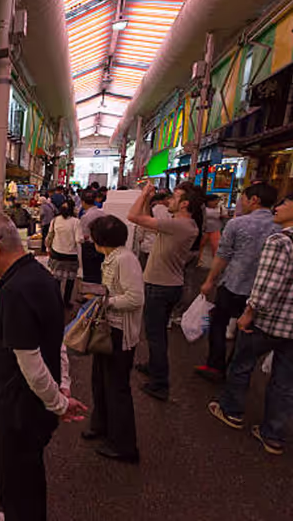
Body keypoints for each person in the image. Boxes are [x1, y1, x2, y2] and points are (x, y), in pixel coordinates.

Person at [0, 211, 86, 521]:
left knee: (18, 481)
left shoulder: (16, 291)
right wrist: (63, 387)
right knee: (27, 475)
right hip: (33, 407)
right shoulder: (40, 275)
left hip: (21, 409)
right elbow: (56, 339)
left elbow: (31, 363)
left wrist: (59, 403)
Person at [208, 193, 293, 456]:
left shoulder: (280, 241)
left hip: (268, 321)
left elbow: (267, 285)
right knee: (284, 381)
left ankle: (231, 411)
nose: (277, 207)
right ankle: (273, 435)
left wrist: (249, 312)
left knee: (242, 364)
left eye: (285, 203)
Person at [196, 183, 280, 381]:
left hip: (233, 284)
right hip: (260, 290)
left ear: (254, 200)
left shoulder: (237, 224)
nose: (242, 202)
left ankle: (215, 366)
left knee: (218, 324)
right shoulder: (280, 228)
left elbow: (223, 256)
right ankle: (235, 370)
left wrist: (210, 280)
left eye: (244, 199)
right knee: (247, 331)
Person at [128, 182, 204, 401]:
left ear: (185, 204)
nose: (170, 199)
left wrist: (144, 194)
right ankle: (154, 367)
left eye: (175, 197)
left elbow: (133, 217)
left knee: (156, 336)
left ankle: (160, 384)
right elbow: (146, 220)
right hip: (168, 285)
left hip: (160, 287)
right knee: (157, 333)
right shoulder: (182, 224)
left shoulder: (179, 225)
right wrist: (148, 199)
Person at [84, 216, 144, 463]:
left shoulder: (124, 260)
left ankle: (124, 446)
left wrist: (105, 302)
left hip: (119, 332)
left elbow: (135, 298)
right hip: (107, 329)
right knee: (100, 381)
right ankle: (102, 426)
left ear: (101, 239)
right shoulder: (113, 257)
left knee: (117, 386)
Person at [47, 200, 83, 308]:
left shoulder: (55, 220)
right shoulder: (76, 222)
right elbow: (79, 240)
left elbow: (49, 236)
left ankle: (56, 301)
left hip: (56, 253)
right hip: (71, 255)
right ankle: (66, 302)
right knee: (70, 281)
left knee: (56, 280)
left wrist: (48, 247)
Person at [135, 193, 171, 269]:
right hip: (161, 247)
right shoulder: (167, 211)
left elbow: (140, 233)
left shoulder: (149, 211)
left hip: (147, 246)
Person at [79, 190, 106, 284]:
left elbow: (83, 235)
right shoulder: (103, 213)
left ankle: (89, 290)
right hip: (102, 246)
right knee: (99, 271)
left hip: (89, 247)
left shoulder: (85, 217)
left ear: (83, 202)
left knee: (89, 272)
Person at [198, 194, 225, 265]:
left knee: (216, 246)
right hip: (205, 229)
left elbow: (225, 216)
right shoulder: (203, 208)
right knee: (201, 245)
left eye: (217, 201)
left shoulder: (220, 207)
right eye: (215, 201)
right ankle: (198, 260)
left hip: (215, 229)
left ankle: (215, 263)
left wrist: (223, 215)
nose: (216, 202)